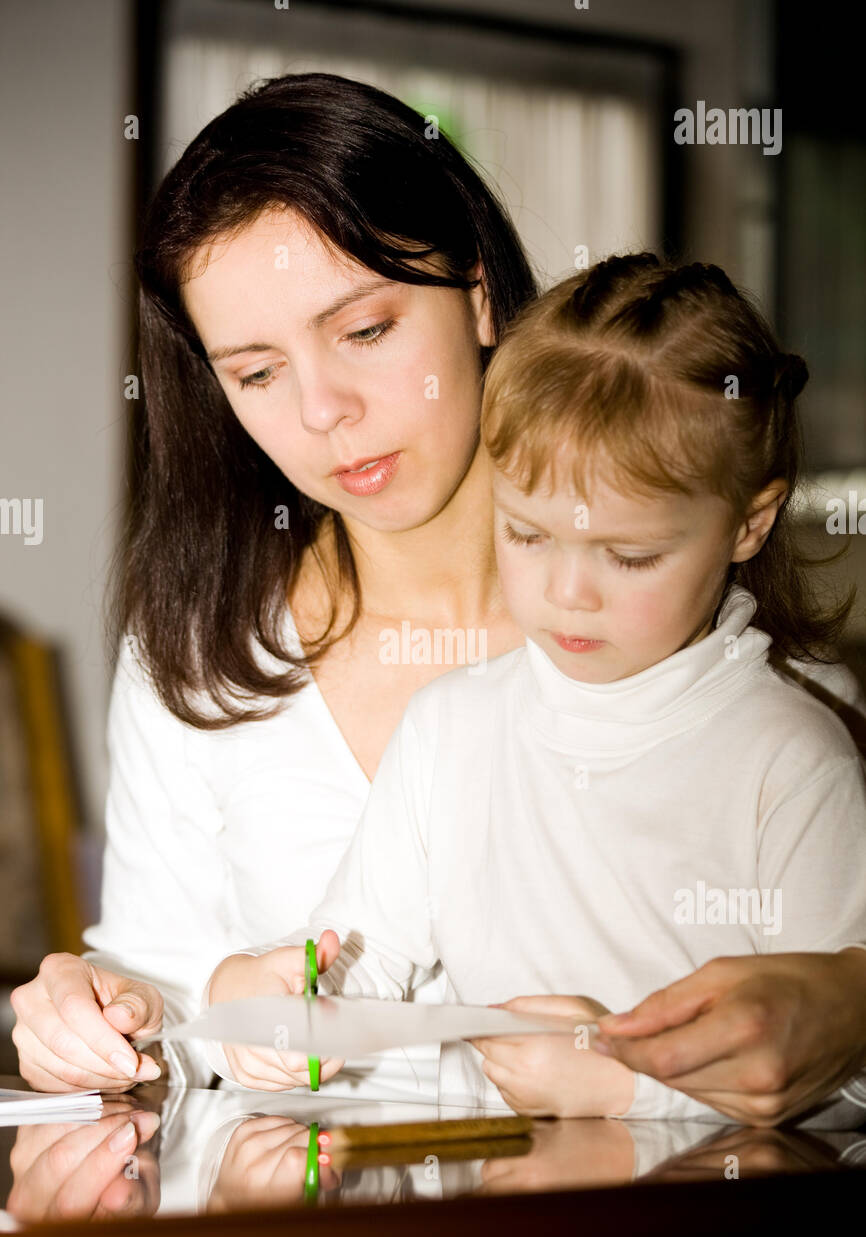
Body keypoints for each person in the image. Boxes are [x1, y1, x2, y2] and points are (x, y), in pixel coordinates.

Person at [9, 73, 866, 1122]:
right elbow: (189, 1001)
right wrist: (105, 1014)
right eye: (256, 372)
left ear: (477, 294)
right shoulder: (197, 646)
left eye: (364, 331)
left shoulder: (770, 708)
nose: (326, 411)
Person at [210, 255, 866, 1127]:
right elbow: (364, 960)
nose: (568, 594)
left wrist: (632, 1094)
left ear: (748, 522)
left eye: (629, 556)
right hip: (506, 1217)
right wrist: (280, 1006)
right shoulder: (450, 728)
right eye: (525, 535)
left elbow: (844, 1081)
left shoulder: (792, 757)